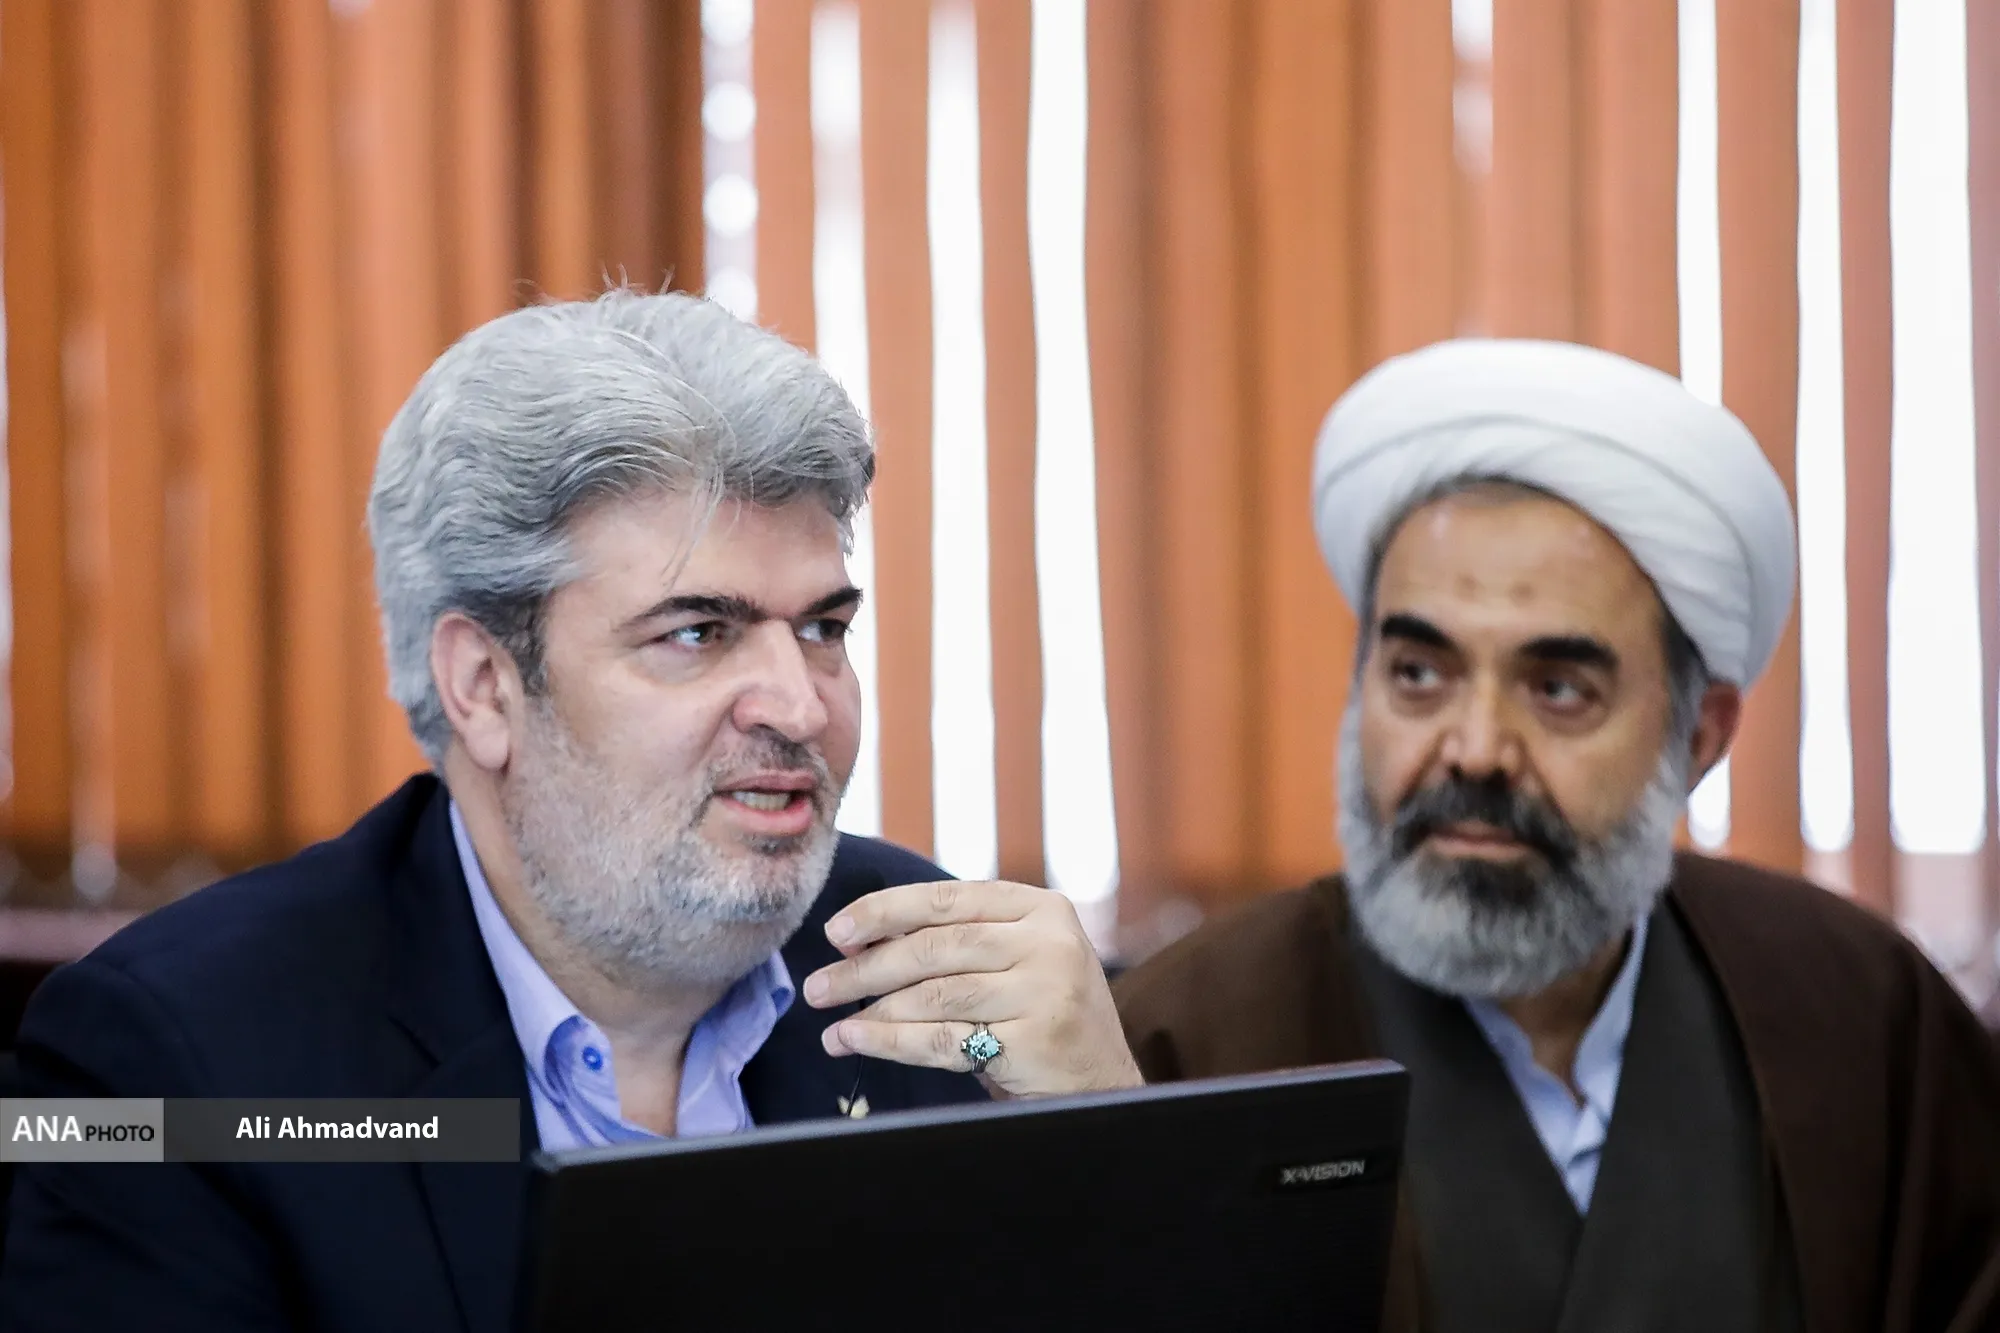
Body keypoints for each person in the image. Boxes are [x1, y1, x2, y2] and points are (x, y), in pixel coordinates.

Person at [0, 290, 1140, 1332]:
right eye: (697, 633)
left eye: (822, 628)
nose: (801, 706)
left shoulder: (937, 979)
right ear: (485, 686)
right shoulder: (166, 1061)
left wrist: (1115, 1143)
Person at [1113, 339, 2000, 1333]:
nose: (1476, 750)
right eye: (1418, 675)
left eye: (1558, 688)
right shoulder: (1185, 1038)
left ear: (1699, 735)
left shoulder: (1859, 1013)